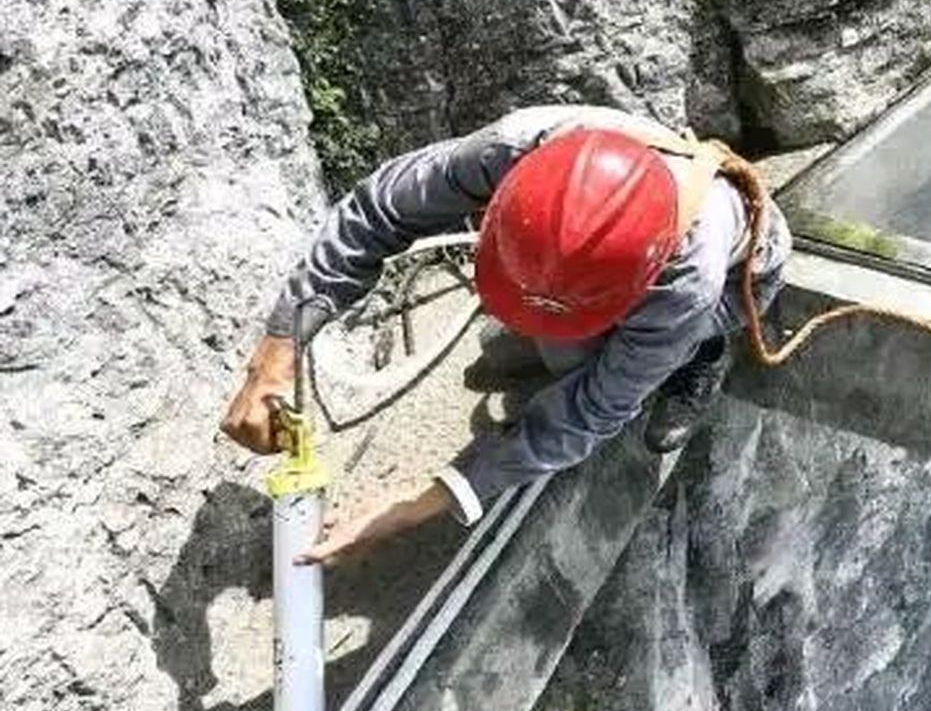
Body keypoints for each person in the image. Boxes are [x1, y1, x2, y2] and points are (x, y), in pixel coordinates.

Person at [217, 105, 791, 565]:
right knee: (561, 350)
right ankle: (581, 343)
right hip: (633, 276)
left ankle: (700, 357)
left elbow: (592, 411)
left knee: (587, 367)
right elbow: (375, 213)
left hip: (740, 283)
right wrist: (273, 359)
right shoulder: (515, 148)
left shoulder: (685, 281)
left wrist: (429, 498)